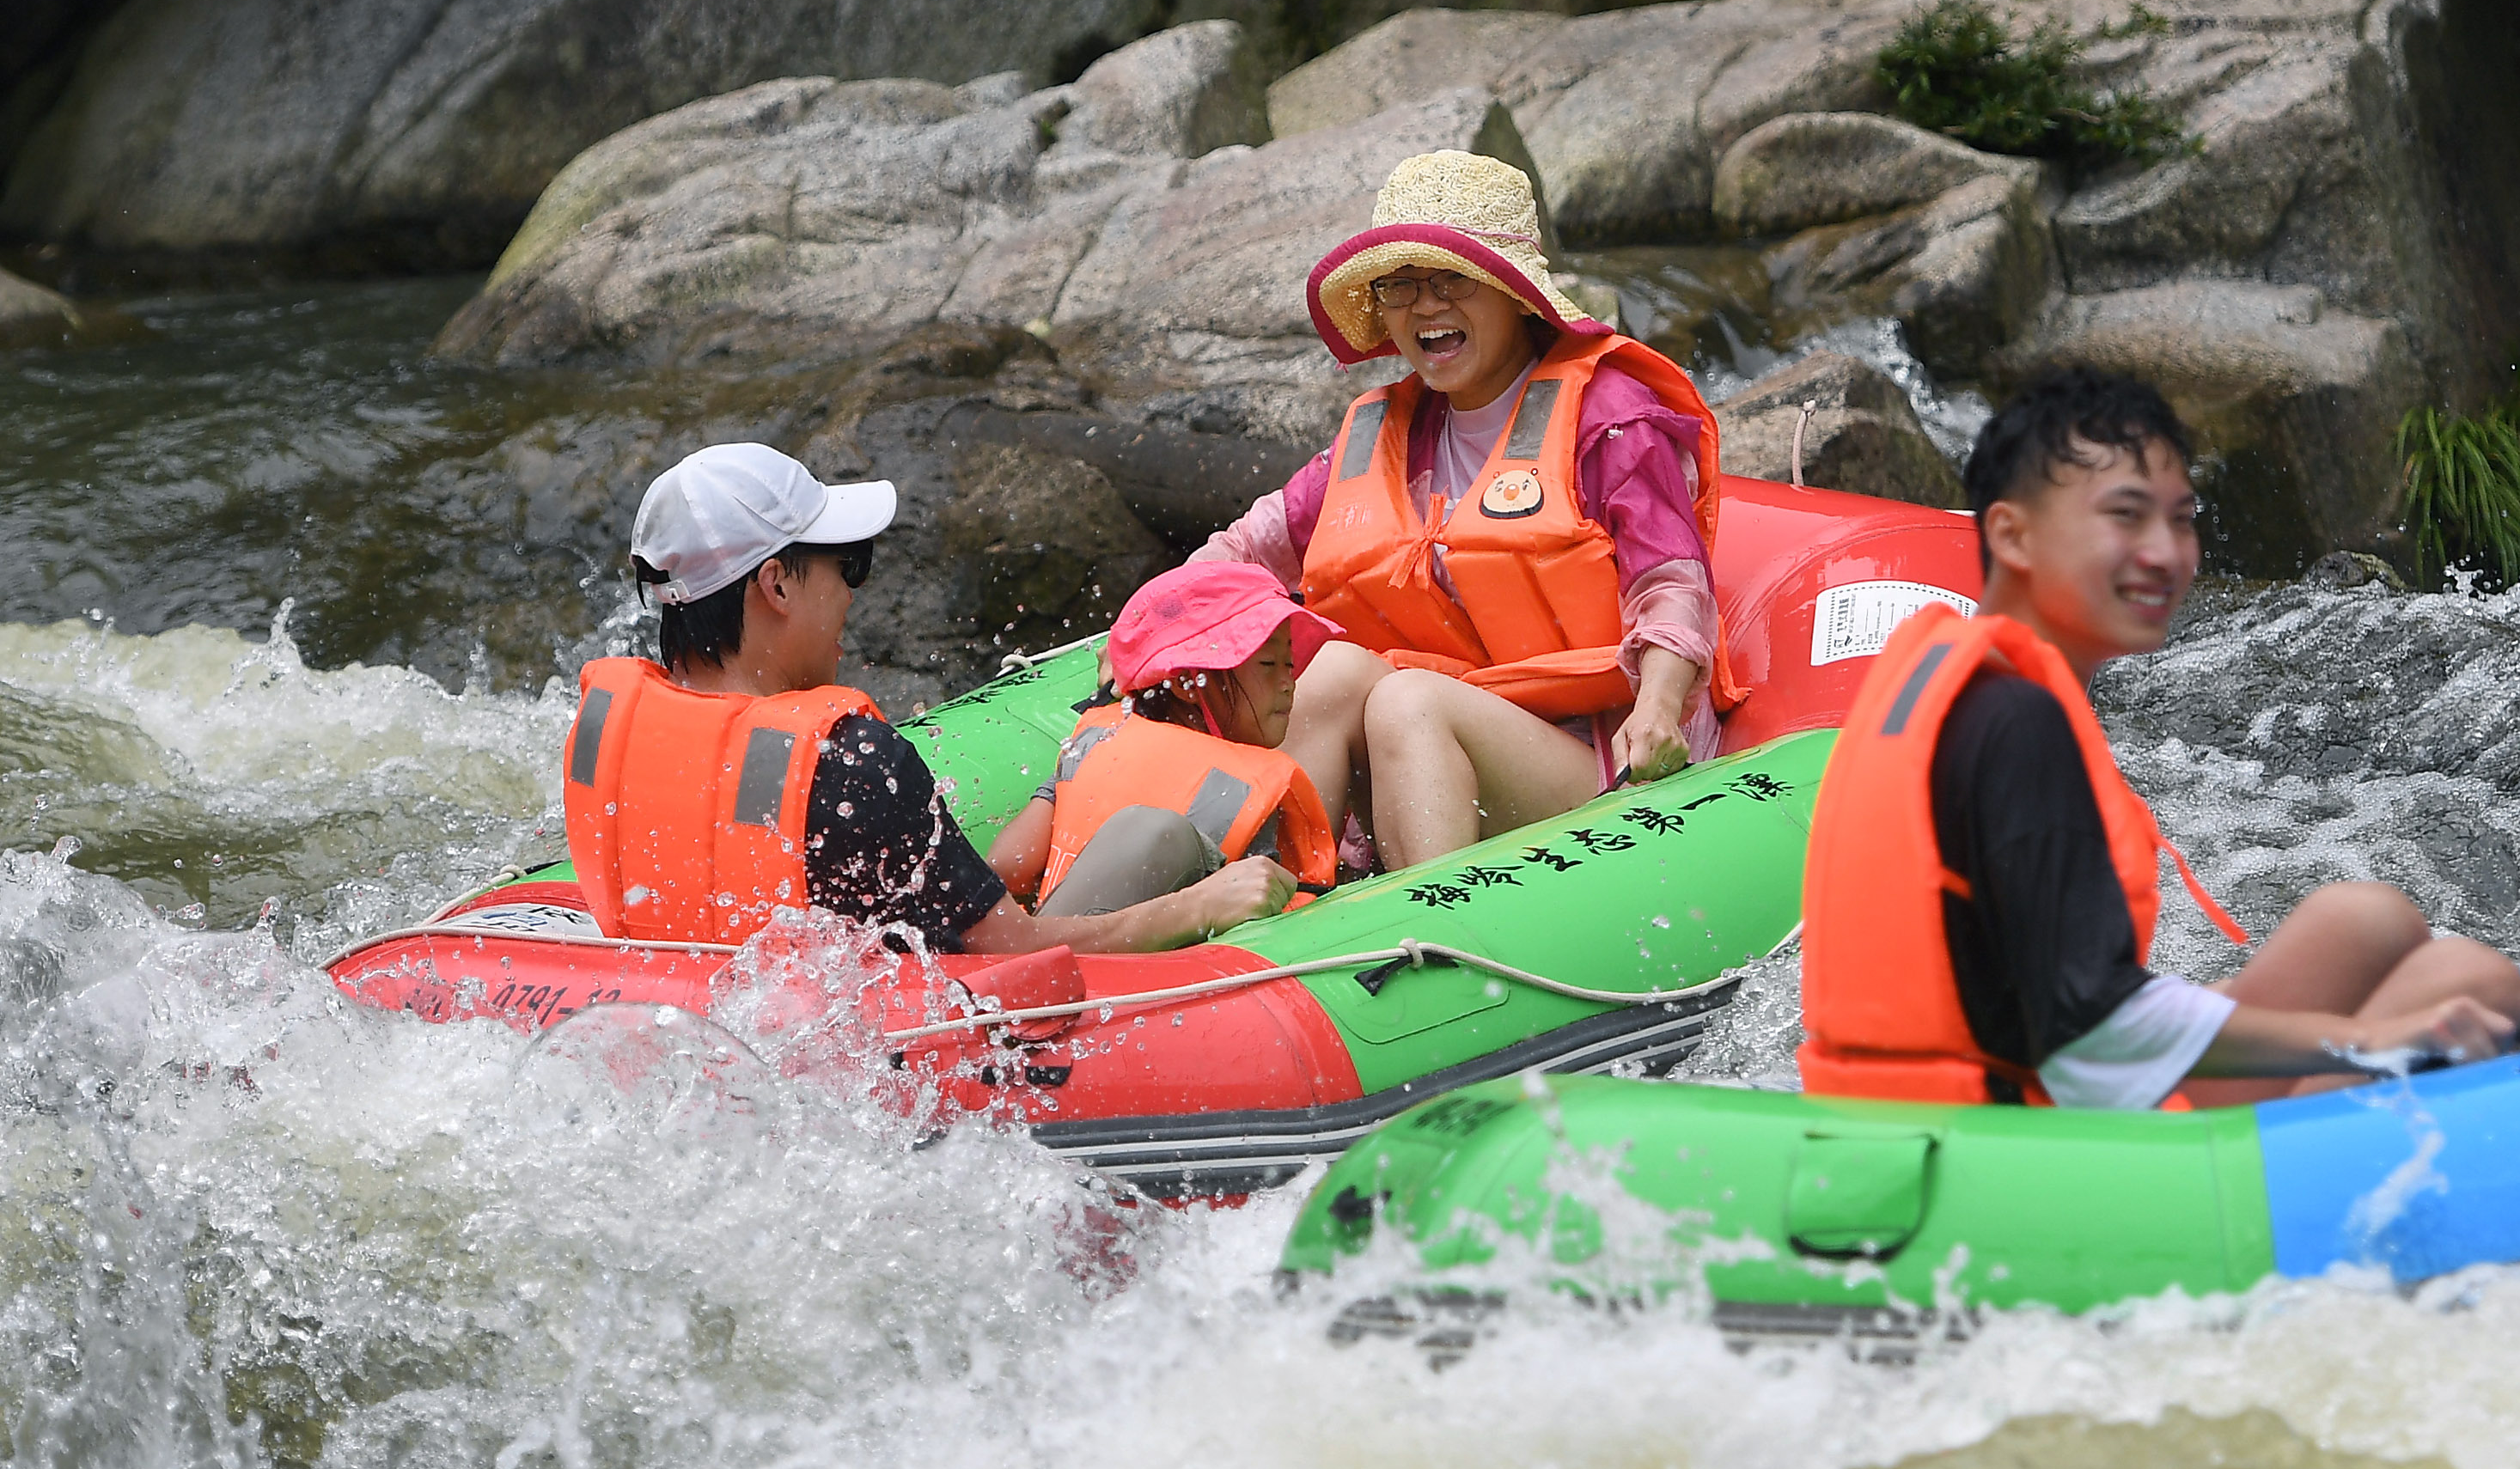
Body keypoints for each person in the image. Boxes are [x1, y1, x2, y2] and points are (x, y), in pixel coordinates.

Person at [1796, 368, 2520, 1110]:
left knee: (2362, 918)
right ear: (2012, 535)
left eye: (2181, 519)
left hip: (1990, 1089)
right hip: (2009, 1154)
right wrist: (2365, 1040)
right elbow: (2092, 1029)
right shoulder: (2017, 723)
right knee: (2476, 984)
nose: (2166, 553)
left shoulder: (1959, 684)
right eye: (2125, 517)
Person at [1192, 149, 1742, 870]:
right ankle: (1277, 903)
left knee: (1406, 700)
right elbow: (1244, 550)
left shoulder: (1608, 416)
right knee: (1330, 678)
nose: (1425, 306)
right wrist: (1159, 626)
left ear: (1515, 293)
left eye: (1452, 279)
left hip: (1614, 752)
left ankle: (1427, 946)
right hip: (1450, 728)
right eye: (1401, 286)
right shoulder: (1388, 432)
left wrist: (1660, 707)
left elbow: (1672, 589)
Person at [561, 443, 1291, 954]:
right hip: (912, 1060)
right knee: (1159, 840)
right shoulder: (851, 765)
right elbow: (1010, 955)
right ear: (776, 584)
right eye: (847, 564)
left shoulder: (604, 738)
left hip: (685, 1017)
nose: (851, 591)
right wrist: (1197, 907)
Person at [985, 564, 1344, 915]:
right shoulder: (1239, 790)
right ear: (1186, 683)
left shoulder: (1095, 745)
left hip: (1054, 938)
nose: (1288, 683)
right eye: (1268, 664)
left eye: (1289, 664)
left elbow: (1009, 865)